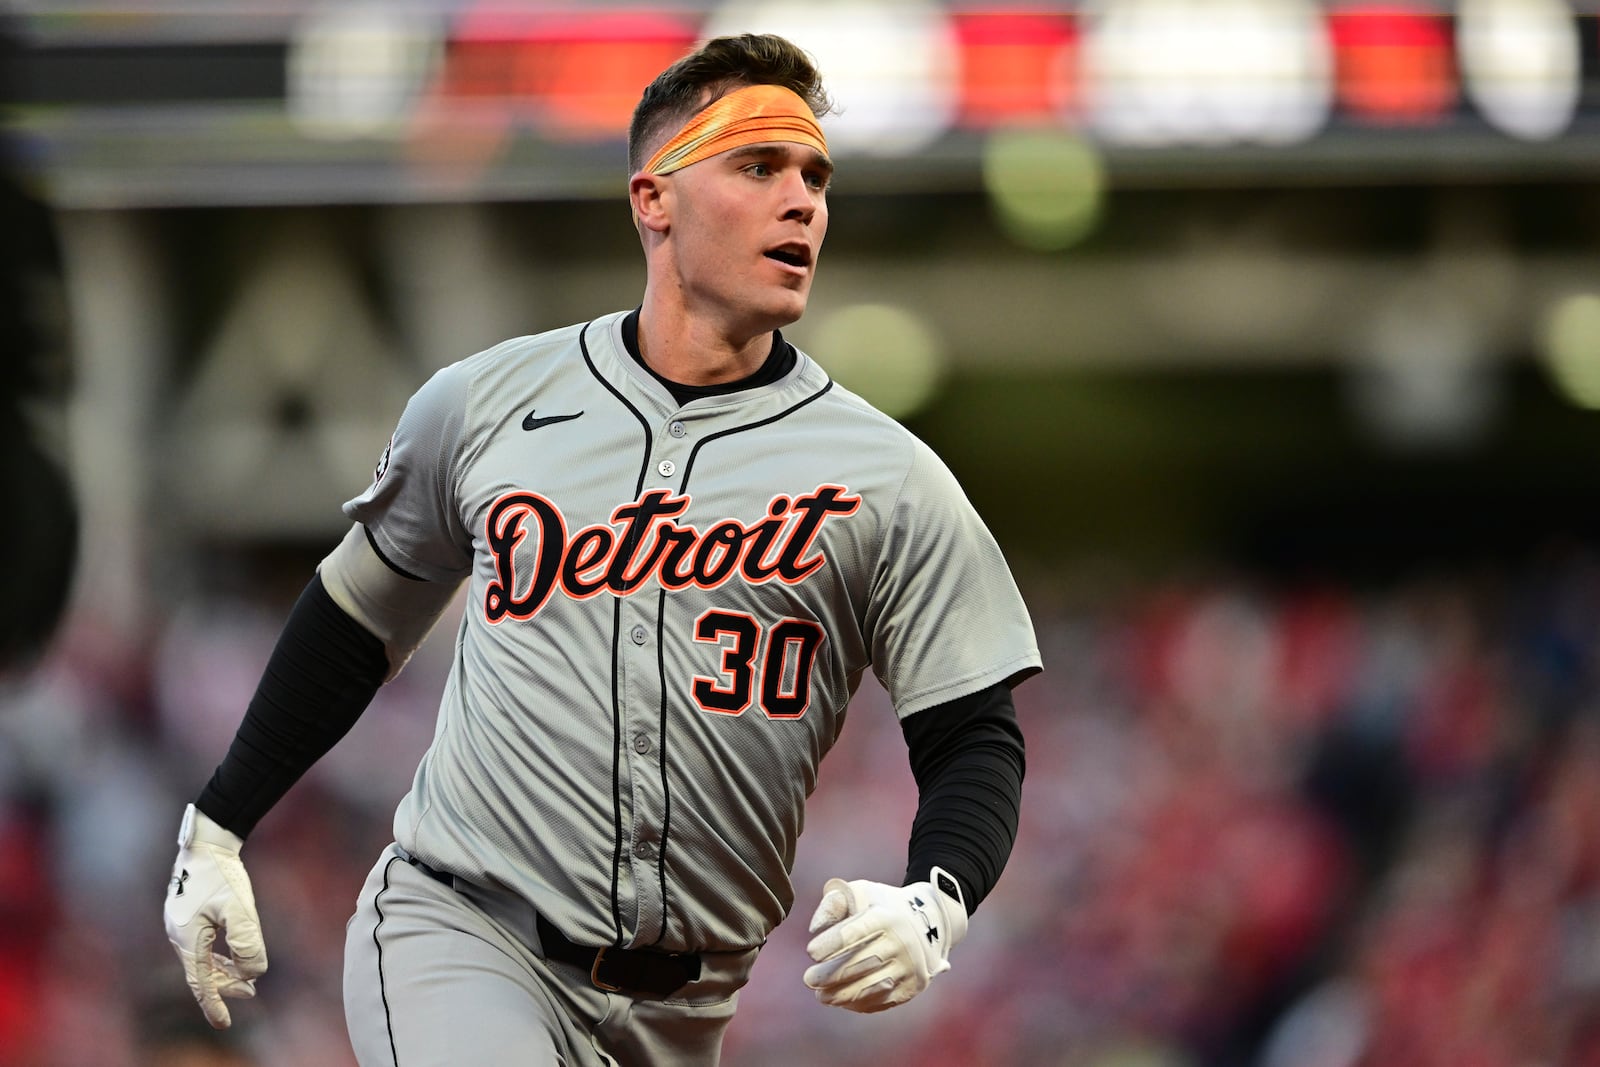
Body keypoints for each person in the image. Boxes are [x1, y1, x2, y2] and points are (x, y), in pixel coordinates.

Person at [163, 32, 1040, 1066]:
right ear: (653, 199)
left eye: (815, 175)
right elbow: (355, 617)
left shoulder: (887, 475)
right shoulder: (487, 402)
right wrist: (216, 826)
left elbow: (973, 733)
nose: (801, 199)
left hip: (686, 1008)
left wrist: (937, 898)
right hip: (463, 932)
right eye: (758, 166)